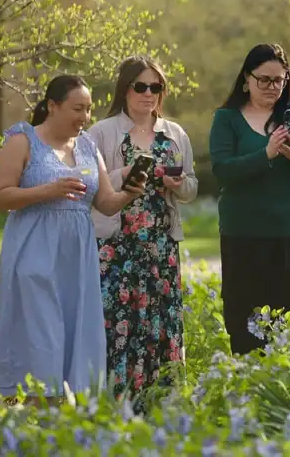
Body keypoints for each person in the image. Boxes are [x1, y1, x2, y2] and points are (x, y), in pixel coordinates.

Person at [0, 74, 146, 403]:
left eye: (88, 110)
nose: (85, 117)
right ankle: (36, 414)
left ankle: (66, 421)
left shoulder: (88, 146)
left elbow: (104, 203)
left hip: (77, 259)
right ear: (52, 106)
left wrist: (130, 192)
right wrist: (48, 190)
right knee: (41, 336)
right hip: (34, 253)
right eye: (78, 108)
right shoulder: (23, 140)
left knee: (75, 334)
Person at [209, 43, 290, 355]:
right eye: (263, 79)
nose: (271, 86)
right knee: (246, 320)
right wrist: (264, 154)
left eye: (278, 79)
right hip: (245, 236)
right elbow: (222, 171)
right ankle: (249, 392)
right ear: (246, 79)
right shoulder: (227, 118)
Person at [88, 55, 198, 409]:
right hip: (116, 245)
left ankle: (162, 403)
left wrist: (177, 184)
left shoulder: (175, 133)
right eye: (141, 86)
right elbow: (88, 184)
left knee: (159, 322)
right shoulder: (101, 133)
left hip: (160, 245)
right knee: (118, 323)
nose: (149, 93)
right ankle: (114, 403)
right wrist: (125, 173)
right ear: (125, 89)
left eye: (156, 87)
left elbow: (192, 187)